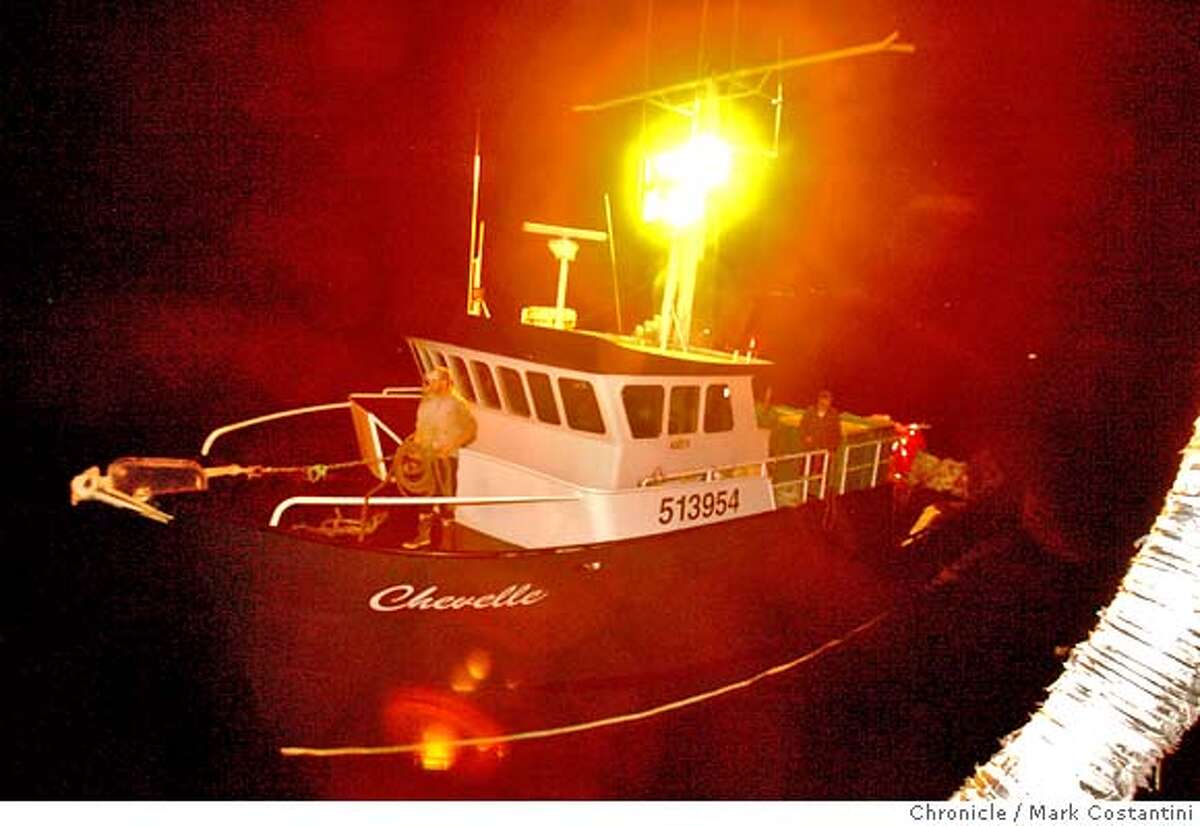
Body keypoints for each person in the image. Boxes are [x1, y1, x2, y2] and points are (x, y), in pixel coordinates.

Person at [402, 366, 478, 549]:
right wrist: (413, 450)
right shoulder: (426, 402)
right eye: (427, 381)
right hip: (425, 456)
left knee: (446, 496)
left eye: (432, 380)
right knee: (424, 495)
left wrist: (451, 446)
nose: (427, 384)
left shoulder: (457, 404)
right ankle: (423, 536)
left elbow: (471, 430)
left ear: (444, 382)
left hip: (446, 458)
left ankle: (448, 541)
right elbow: (419, 428)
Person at [796, 389, 842, 527]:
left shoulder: (833, 415)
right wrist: (806, 438)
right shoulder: (810, 412)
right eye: (824, 399)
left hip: (824, 450)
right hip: (810, 449)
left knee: (823, 473)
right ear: (819, 400)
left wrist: (832, 449)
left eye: (828, 400)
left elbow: (836, 434)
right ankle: (804, 495)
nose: (826, 403)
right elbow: (802, 428)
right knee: (806, 471)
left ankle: (820, 496)